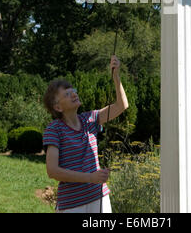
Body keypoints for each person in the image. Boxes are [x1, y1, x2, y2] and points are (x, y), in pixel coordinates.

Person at [42, 55, 129, 213]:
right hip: (72, 205)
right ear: (58, 107)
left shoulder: (90, 119)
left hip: (99, 197)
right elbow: (52, 171)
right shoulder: (54, 129)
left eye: (73, 91)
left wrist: (116, 77)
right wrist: (90, 178)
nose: (74, 94)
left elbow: (122, 105)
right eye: (67, 94)